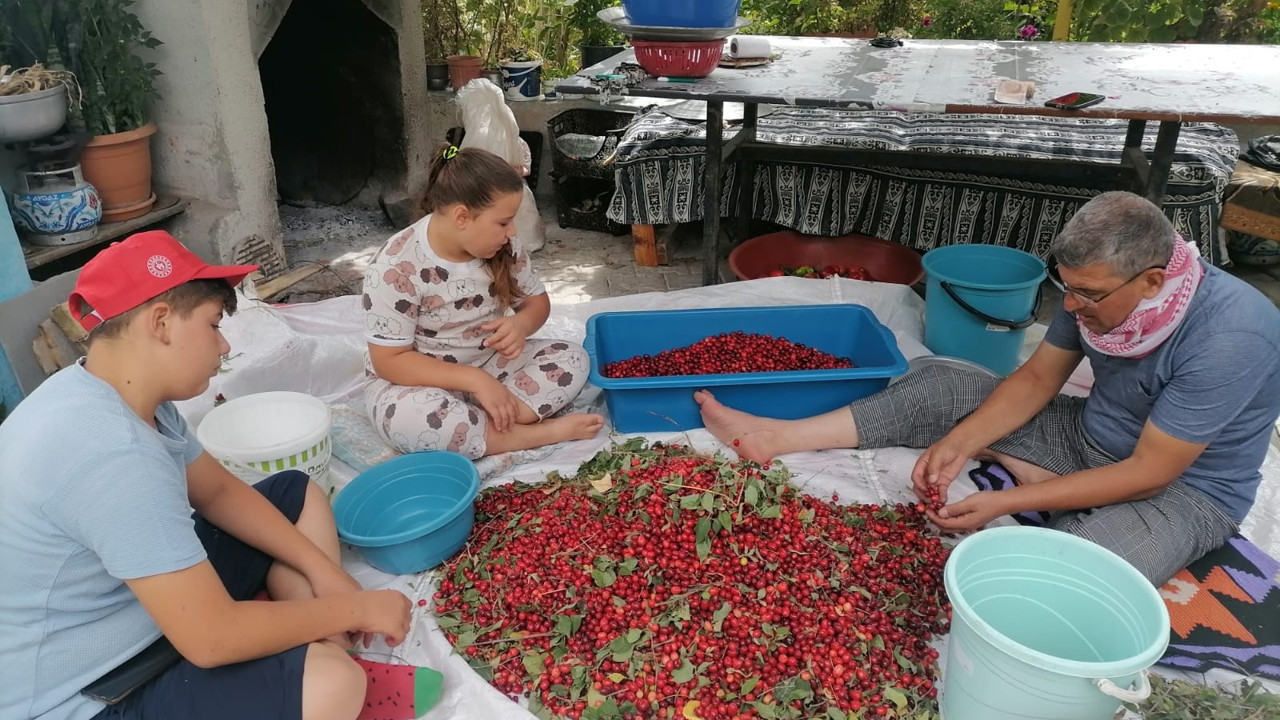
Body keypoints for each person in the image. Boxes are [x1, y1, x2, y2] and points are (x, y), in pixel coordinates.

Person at [696, 191, 1280, 585]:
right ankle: (776, 437)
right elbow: (1036, 378)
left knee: (1072, 576)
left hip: (1182, 490)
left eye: (1088, 296)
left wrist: (1004, 502)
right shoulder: (1093, 292)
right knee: (940, 380)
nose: (1071, 306)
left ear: (1154, 280)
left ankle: (1052, 497)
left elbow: (1153, 470)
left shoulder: (1233, 335)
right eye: (1065, 288)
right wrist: (960, 443)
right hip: (1086, 436)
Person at [0, 231, 415, 720]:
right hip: (87, 690)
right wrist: (360, 609)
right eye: (214, 325)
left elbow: (217, 492)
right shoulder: (111, 456)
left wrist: (328, 575)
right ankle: (318, 652)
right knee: (333, 685)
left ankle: (316, 640)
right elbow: (210, 639)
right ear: (160, 322)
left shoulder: (115, 391)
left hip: (137, 610)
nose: (223, 346)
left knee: (296, 492)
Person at [362, 144, 603, 458]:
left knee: (573, 359)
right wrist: (473, 380)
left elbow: (537, 303)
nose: (512, 230)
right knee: (415, 421)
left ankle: (487, 424)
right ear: (462, 217)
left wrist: (521, 324)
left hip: (491, 365)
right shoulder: (396, 267)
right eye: (503, 222)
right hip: (419, 382)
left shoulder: (503, 245)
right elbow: (389, 361)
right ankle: (535, 433)